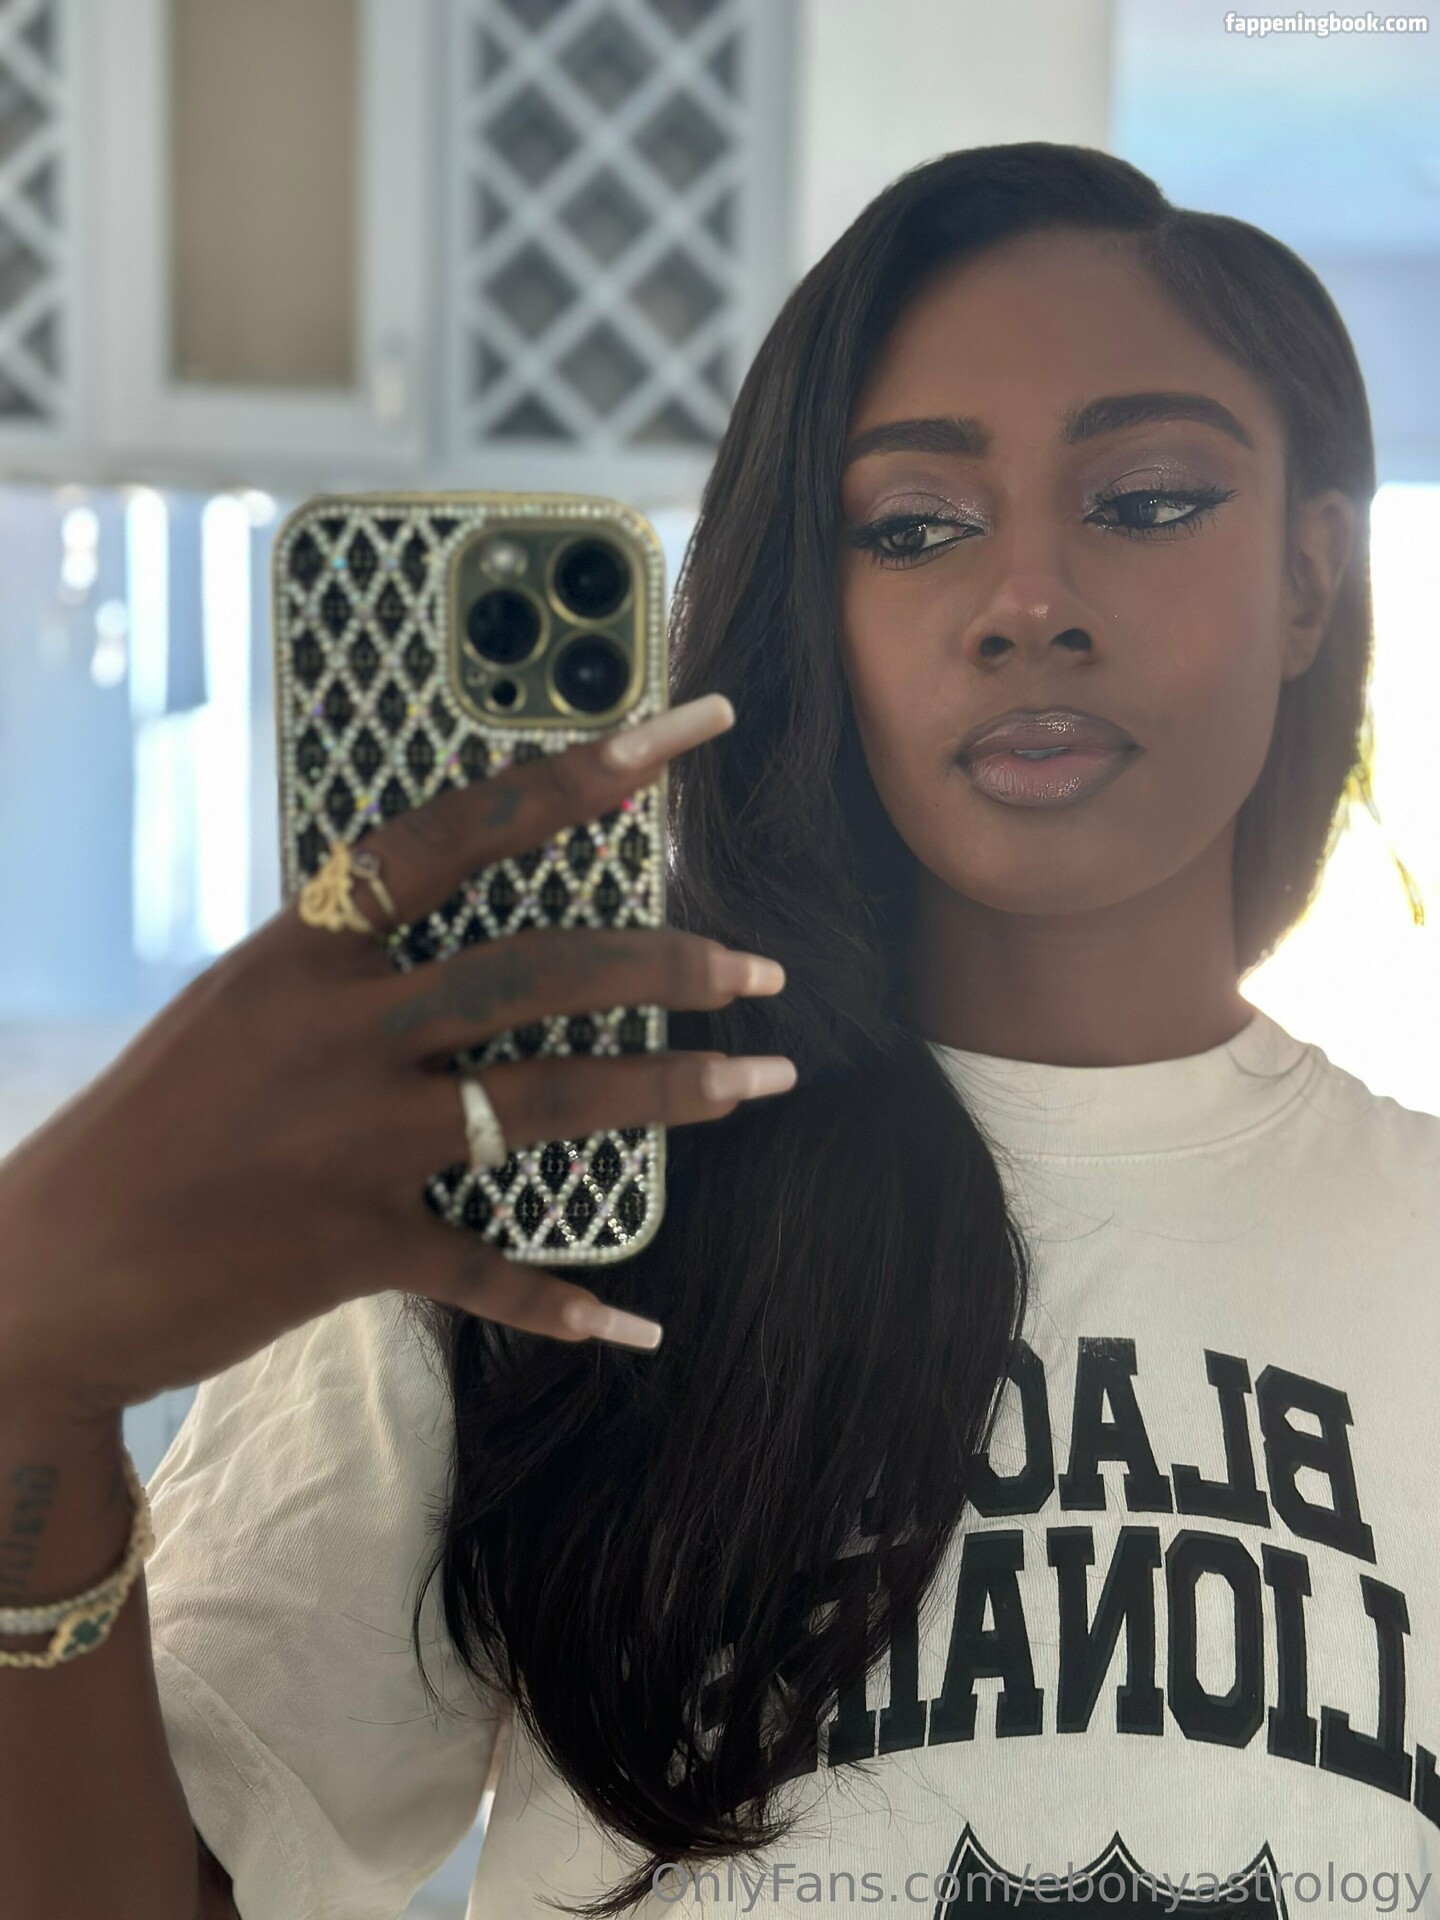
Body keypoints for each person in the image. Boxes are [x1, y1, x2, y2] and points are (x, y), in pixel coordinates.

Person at [2, 140, 1436, 1920]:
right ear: (816, 610)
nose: (1028, 603)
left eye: (1145, 501)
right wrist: (28, 1390)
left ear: (1309, 577)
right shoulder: (555, 1184)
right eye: (912, 527)